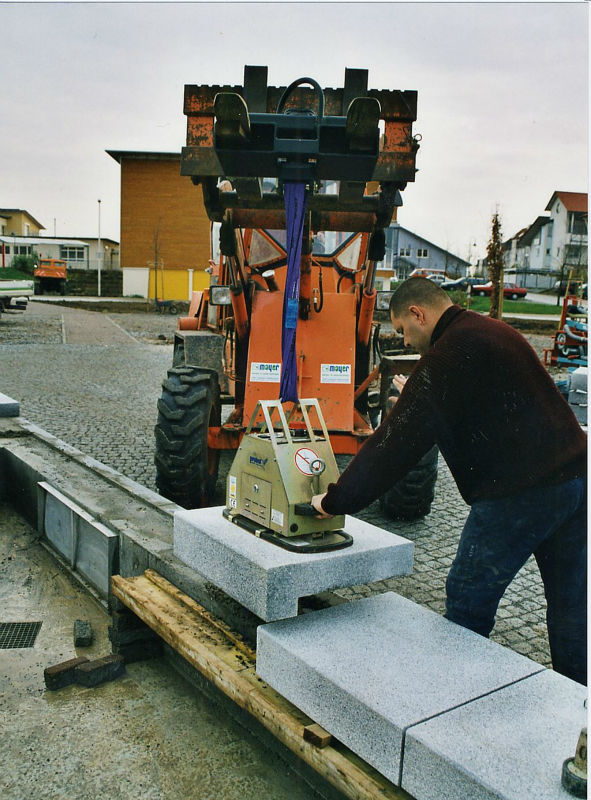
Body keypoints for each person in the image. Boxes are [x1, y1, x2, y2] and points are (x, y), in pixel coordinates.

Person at [312, 277, 587, 685]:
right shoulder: (488, 330)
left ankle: (448, 706)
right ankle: (579, 707)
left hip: (517, 494)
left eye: (404, 330)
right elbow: (484, 406)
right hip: (574, 481)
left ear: (418, 314)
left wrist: (335, 501)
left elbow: (394, 444)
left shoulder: (448, 354)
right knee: (572, 606)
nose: (405, 343)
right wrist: (422, 395)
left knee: (467, 601)